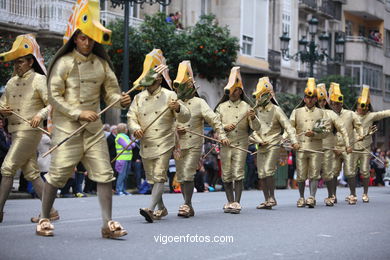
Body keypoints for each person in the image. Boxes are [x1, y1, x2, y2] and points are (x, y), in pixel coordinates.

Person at [36, 0, 130, 238]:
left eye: (90, 38)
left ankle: (107, 223)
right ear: (75, 38)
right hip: (68, 128)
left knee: (105, 174)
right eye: (83, 38)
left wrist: (121, 100)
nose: (87, 43)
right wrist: (78, 113)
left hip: (94, 129)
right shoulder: (63, 63)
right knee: (57, 175)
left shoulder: (102, 65)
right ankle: (45, 218)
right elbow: (54, 96)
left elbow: (111, 93)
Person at [0, 33, 59, 224]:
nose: (17, 66)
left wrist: (39, 115)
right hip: (14, 130)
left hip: (30, 130)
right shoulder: (9, 83)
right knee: (32, 172)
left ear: (30, 62)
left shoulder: (38, 80)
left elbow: (52, 103)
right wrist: (3, 110)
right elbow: (2, 104)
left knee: (8, 167)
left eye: (22, 62)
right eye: (15, 62)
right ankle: (51, 211)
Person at [127, 49, 190, 223]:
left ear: (160, 80)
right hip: (146, 142)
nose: (148, 87)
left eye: (151, 83)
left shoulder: (170, 95)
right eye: (146, 84)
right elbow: (131, 117)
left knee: (160, 174)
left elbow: (186, 116)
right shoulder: (138, 98)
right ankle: (161, 208)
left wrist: (177, 108)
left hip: (164, 140)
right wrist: (135, 128)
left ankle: (150, 208)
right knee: (152, 178)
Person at [174, 60, 228, 217]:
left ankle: (186, 204)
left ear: (191, 87)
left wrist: (222, 135)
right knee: (181, 175)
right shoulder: (174, 103)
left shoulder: (200, 102)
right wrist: (175, 129)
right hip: (178, 144)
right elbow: (167, 122)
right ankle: (187, 204)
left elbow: (214, 119)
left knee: (188, 173)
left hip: (194, 144)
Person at [214, 67, 258, 214]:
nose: (231, 93)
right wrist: (224, 131)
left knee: (238, 172)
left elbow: (256, 127)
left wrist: (252, 117)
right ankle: (229, 200)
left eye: (234, 90)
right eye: (229, 90)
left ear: (240, 91)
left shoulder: (247, 106)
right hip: (225, 143)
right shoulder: (221, 107)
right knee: (226, 174)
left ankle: (237, 202)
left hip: (241, 143)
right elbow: (216, 126)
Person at [251, 77, 299, 209]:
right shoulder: (256, 111)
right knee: (261, 173)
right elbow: (253, 130)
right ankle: (267, 200)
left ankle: (272, 197)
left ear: (268, 95)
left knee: (268, 170)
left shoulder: (276, 110)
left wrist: (294, 141)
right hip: (261, 145)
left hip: (274, 143)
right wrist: (258, 140)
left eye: (260, 95)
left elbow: (288, 126)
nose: (258, 99)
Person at [290, 78, 331, 208]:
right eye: (308, 97)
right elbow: (290, 128)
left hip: (316, 148)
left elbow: (326, 130)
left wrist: (315, 134)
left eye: (313, 97)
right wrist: (291, 141)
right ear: (304, 98)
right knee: (301, 174)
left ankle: (312, 197)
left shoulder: (322, 113)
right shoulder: (296, 112)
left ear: (316, 99)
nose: (310, 100)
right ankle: (301, 197)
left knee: (314, 174)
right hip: (301, 147)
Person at [353, 85, 390, 201]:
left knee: (365, 171)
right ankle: (352, 194)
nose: (362, 108)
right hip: (353, 148)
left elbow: (383, 113)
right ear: (357, 105)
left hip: (365, 149)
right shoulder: (351, 115)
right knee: (350, 172)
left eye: (365, 106)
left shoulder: (371, 116)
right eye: (360, 105)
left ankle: (365, 193)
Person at [329, 82, 363, 205]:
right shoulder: (327, 115)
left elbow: (359, 126)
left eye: (338, 103)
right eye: (333, 103)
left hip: (348, 148)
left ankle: (353, 194)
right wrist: (332, 148)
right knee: (333, 172)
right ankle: (332, 195)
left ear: (342, 103)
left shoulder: (350, 114)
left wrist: (361, 135)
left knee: (350, 172)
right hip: (334, 149)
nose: (336, 105)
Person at [316, 83, 350, 206]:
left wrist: (347, 144)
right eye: (317, 99)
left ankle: (331, 195)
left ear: (325, 101)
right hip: (313, 147)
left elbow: (342, 130)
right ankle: (309, 197)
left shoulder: (331, 114)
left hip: (327, 147)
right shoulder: (308, 112)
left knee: (328, 173)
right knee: (311, 173)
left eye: (321, 100)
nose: (319, 102)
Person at [114, 123, 135, 195]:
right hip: (122, 158)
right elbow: (129, 146)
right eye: (126, 128)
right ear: (123, 129)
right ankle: (118, 190)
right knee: (122, 175)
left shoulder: (126, 137)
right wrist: (131, 144)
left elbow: (133, 145)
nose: (127, 129)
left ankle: (123, 190)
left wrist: (131, 144)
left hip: (128, 158)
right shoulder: (120, 137)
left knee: (126, 175)